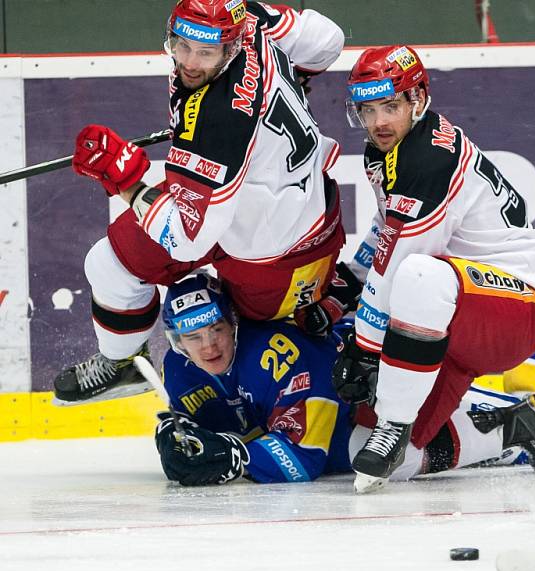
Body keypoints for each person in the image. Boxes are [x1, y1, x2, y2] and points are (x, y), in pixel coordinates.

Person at [53, 0, 360, 405]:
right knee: (108, 264)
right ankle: (123, 362)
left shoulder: (218, 121)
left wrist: (123, 180)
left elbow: (187, 241)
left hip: (282, 251)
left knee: (262, 338)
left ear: (230, 49)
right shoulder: (248, 21)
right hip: (239, 198)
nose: (190, 63)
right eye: (181, 46)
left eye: (205, 53)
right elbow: (327, 41)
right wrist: (290, 77)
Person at [334, 45, 535, 494]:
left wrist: (365, 346)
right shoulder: (389, 149)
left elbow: (401, 259)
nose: (378, 123)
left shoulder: (428, 157)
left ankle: (395, 423)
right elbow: (387, 229)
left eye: (390, 106)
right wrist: (348, 280)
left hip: (520, 299)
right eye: (367, 110)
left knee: (418, 276)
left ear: (418, 100)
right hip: (453, 314)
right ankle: (509, 428)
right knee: (366, 452)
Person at [154, 273, 535, 486]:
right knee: (370, 452)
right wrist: (181, 436)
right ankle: (509, 427)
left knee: (381, 456)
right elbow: (225, 430)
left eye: (217, 330)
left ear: (234, 322)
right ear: (176, 342)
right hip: (346, 410)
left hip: (370, 378)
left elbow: (304, 458)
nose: (209, 346)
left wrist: (237, 460)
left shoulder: (277, 355)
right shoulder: (178, 371)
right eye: (193, 336)